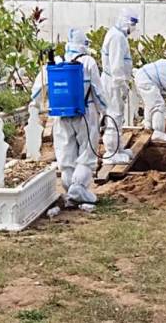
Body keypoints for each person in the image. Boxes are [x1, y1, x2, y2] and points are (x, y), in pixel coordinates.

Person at [31, 28, 107, 206]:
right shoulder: (88, 62)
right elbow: (98, 91)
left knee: (66, 155)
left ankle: (70, 192)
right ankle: (79, 188)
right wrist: (105, 111)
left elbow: (37, 91)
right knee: (87, 153)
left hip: (61, 114)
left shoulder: (55, 62)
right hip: (85, 113)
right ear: (84, 45)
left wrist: (34, 108)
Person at [101, 8, 138, 164]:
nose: (133, 28)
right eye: (132, 24)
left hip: (114, 82)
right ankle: (111, 152)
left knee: (118, 114)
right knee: (114, 114)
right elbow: (117, 66)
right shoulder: (117, 38)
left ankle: (118, 147)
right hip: (114, 83)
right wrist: (121, 85)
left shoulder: (117, 35)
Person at [134, 59, 166, 142]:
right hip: (146, 79)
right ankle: (158, 132)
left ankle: (148, 125)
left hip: (141, 76)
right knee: (158, 104)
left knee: (151, 103)